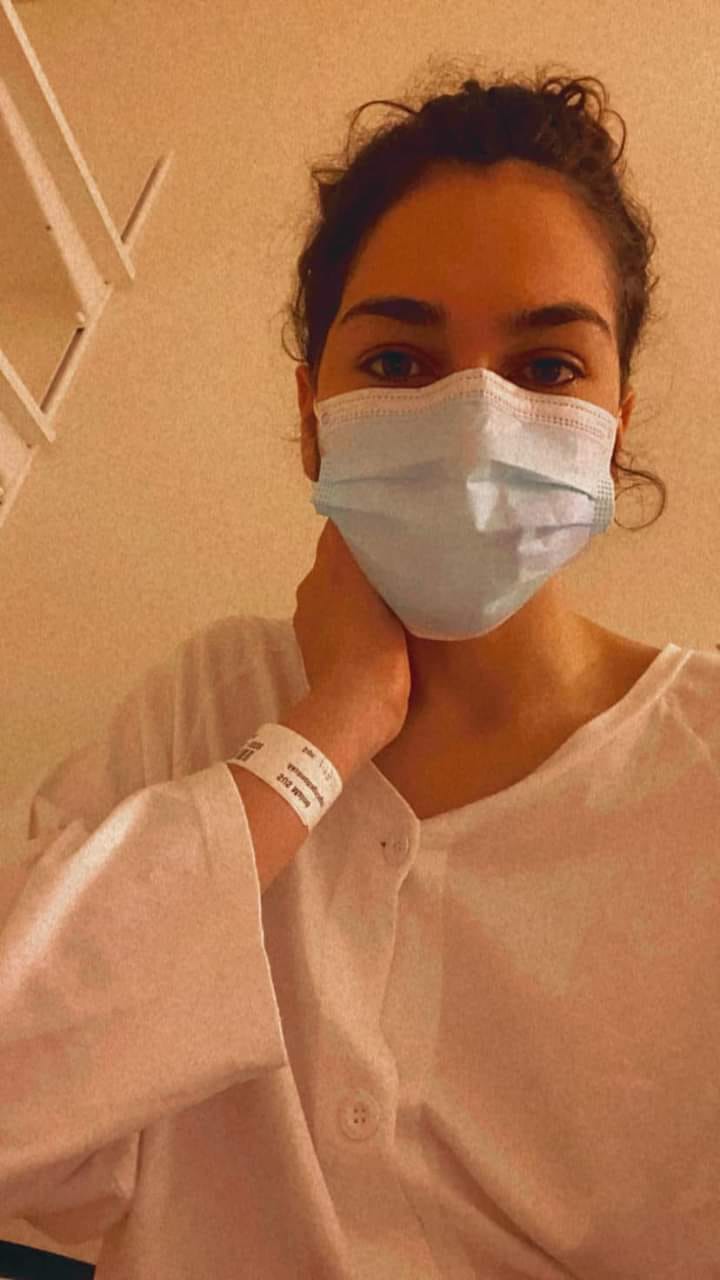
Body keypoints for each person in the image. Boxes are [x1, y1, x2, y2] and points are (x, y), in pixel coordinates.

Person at [2, 70, 719, 1280]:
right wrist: (321, 735)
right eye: (397, 359)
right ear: (311, 415)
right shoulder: (215, 699)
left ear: (615, 427)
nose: (476, 421)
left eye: (548, 368)